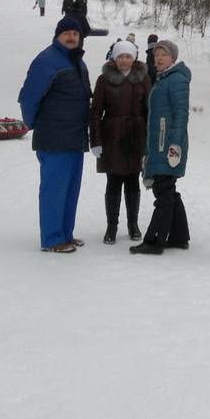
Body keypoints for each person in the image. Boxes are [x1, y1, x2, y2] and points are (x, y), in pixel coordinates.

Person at [18, 16, 93, 253]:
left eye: (75, 34)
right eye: (66, 34)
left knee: (70, 189)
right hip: (54, 139)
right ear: (57, 36)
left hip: (75, 137)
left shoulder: (77, 62)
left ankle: (65, 234)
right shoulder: (47, 61)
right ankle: (52, 238)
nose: (71, 37)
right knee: (54, 190)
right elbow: (29, 97)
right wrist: (32, 124)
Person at [132, 39, 190, 255]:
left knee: (163, 192)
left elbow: (181, 114)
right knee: (168, 190)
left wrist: (174, 146)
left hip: (167, 145)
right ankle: (179, 236)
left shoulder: (176, 80)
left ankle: (154, 240)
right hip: (159, 143)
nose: (158, 59)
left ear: (173, 58)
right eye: (156, 56)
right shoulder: (163, 79)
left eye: (163, 55)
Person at [90, 39, 150, 243]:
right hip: (112, 136)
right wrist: (96, 140)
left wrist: (148, 141)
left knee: (133, 183)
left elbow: (150, 110)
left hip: (136, 136)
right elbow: (96, 112)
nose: (124, 60)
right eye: (120, 56)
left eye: (128, 56)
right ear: (114, 58)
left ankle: (133, 225)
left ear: (134, 58)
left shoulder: (143, 79)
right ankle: (111, 227)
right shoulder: (104, 80)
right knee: (113, 183)